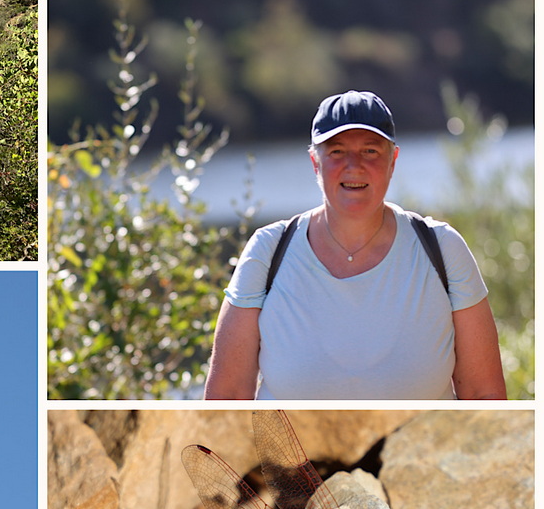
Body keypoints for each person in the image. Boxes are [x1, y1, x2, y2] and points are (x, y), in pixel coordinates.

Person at [203, 90, 506, 399]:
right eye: (336, 152)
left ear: (393, 160)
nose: (354, 165)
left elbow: (484, 394)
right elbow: (226, 398)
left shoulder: (442, 249)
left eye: (370, 151)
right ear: (315, 162)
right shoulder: (268, 252)